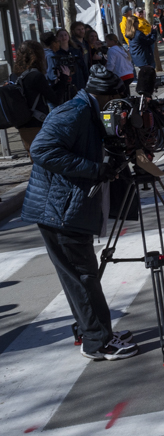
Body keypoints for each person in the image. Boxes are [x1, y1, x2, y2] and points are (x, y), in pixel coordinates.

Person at [22, 72, 139, 361]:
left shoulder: (87, 109)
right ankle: (98, 342)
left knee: (81, 276)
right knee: (82, 277)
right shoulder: (74, 112)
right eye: (117, 98)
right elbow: (41, 150)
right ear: (107, 95)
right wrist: (94, 169)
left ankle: (95, 332)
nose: (119, 104)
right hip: (60, 210)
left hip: (64, 207)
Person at [12, 40, 58, 153]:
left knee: (33, 155)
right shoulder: (36, 76)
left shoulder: (14, 76)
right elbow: (55, 99)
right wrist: (64, 79)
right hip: (37, 122)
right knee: (43, 157)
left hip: (22, 123)